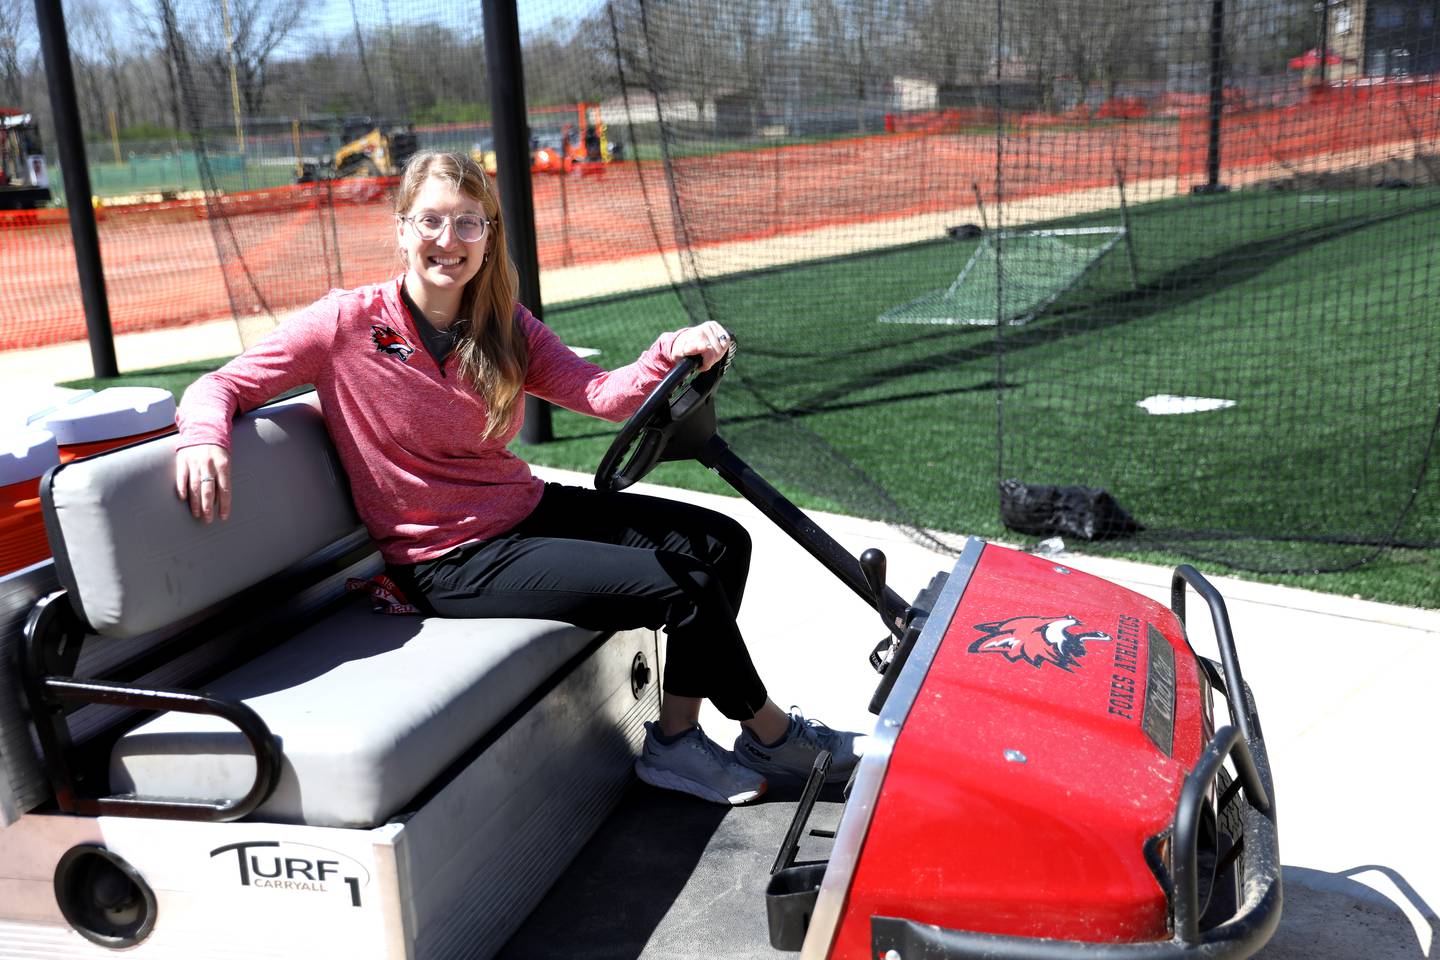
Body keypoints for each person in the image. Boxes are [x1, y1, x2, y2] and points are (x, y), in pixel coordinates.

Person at [173, 150, 861, 806]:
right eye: (432, 221)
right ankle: (773, 736)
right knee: (685, 586)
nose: (450, 239)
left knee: (719, 543)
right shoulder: (346, 326)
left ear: (487, 233)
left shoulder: (502, 326)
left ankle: (677, 740)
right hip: (447, 559)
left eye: (468, 221)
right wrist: (204, 440)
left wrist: (670, 351)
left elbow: (599, 393)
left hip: (521, 511)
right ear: (402, 230)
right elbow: (222, 384)